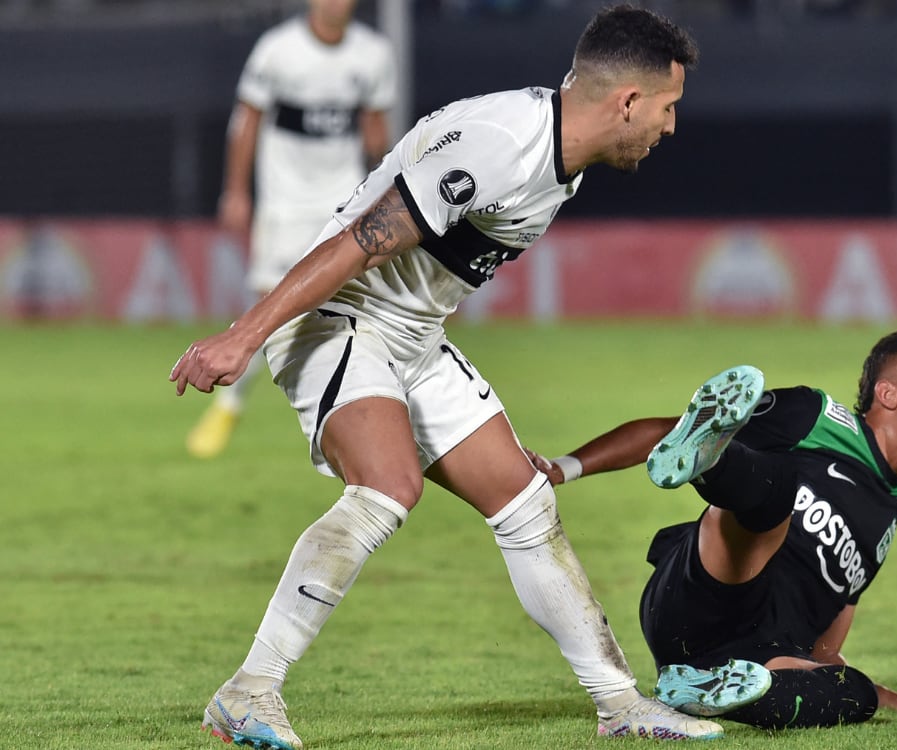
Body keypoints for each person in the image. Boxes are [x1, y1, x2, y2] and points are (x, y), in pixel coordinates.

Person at [171, 5, 714, 747]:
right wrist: (242, 337)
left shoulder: (562, 159)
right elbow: (362, 241)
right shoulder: (501, 145)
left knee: (525, 503)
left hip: (411, 337)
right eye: (667, 106)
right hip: (340, 317)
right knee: (387, 486)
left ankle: (620, 705)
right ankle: (248, 692)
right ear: (626, 101)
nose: (671, 126)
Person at [527, 328, 897, 729]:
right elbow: (670, 429)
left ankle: (705, 693)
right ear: (888, 393)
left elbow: (823, 653)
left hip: (754, 654)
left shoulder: (888, 513)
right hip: (699, 596)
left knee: (855, 692)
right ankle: (710, 463)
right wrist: (566, 467)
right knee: (777, 491)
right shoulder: (816, 417)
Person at [186, 0, 396, 459]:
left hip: (344, 201)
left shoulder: (374, 54)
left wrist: (386, 196)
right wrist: (236, 190)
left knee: (358, 308)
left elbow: (376, 131)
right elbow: (246, 121)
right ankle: (230, 405)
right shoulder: (277, 50)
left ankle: (365, 415)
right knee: (270, 303)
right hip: (284, 203)